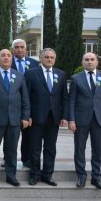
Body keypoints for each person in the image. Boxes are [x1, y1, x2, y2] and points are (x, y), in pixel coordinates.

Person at [0, 49, 30, 187]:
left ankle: (11, 176)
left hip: (14, 120)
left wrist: (26, 116)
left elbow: (25, 98)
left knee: (12, 149)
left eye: (9, 55)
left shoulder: (19, 76)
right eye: (3, 55)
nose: (6, 58)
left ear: (12, 58)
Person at [69, 52, 101, 189]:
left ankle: (96, 177)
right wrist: (71, 119)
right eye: (86, 59)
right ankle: (81, 176)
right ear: (82, 62)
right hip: (80, 120)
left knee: (97, 150)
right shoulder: (76, 78)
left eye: (92, 59)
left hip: (99, 120)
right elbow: (71, 101)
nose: (89, 62)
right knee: (79, 149)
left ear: (97, 62)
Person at [25, 48, 68, 186]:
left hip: (54, 118)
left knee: (50, 148)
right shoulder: (31, 74)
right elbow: (26, 96)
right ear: (41, 59)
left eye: (52, 57)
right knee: (35, 148)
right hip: (36, 117)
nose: (49, 59)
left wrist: (64, 116)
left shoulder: (61, 75)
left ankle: (47, 175)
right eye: (47, 57)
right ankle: (34, 175)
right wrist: (27, 115)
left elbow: (64, 98)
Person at [11, 39, 39, 168]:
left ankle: (25, 158)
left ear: (26, 49)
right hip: (12, 104)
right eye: (17, 47)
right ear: (13, 49)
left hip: (29, 104)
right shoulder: (7, 61)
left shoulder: (34, 63)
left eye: (22, 47)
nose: (20, 49)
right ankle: (9, 158)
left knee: (27, 134)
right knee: (10, 134)